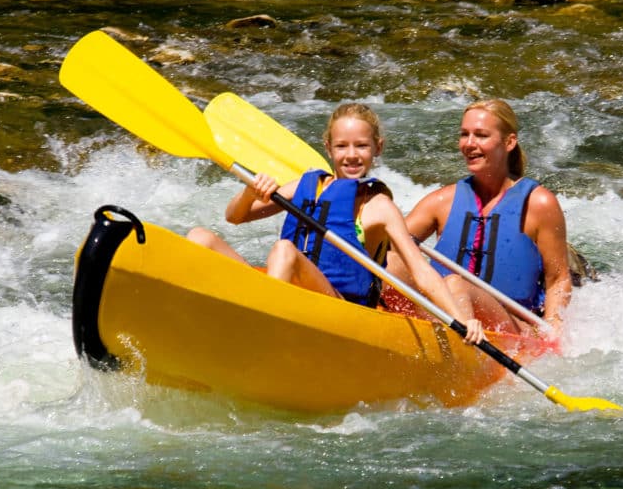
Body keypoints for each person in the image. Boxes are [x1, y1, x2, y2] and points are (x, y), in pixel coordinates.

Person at [187, 102, 484, 344]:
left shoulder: (378, 205)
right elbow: (234, 217)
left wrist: (459, 318)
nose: (352, 155)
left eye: (362, 146)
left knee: (284, 250)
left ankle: (260, 333)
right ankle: (200, 320)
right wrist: (250, 190)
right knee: (201, 237)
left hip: (340, 310)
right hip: (289, 295)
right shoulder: (307, 185)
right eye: (342, 146)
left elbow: (420, 270)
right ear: (328, 147)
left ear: (377, 148)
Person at [387, 98, 571, 343]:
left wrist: (553, 332)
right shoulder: (442, 200)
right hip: (446, 315)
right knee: (389, 261)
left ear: (509, 143)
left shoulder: (538, 204)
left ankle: (448, 351)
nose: (469, 144)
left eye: (481, 135)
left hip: (512, 327)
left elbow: (557, 278)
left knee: (457, 284)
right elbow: (388, 246)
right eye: (465, 134)